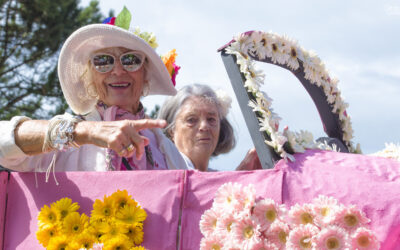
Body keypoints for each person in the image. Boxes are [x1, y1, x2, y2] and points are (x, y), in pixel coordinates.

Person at [0, 8, 187, 174]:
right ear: (91, 76)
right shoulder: (69, 139)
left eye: (130, 60)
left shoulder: (166, 150)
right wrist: (84, 132)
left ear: (146, 74)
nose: (118, 70)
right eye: (103, 61)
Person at [158, 84, 261, 171]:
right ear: (172, 130)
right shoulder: (159, 168)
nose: (204, 126)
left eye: (211, 119)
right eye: (191, 120)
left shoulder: (218, 178)